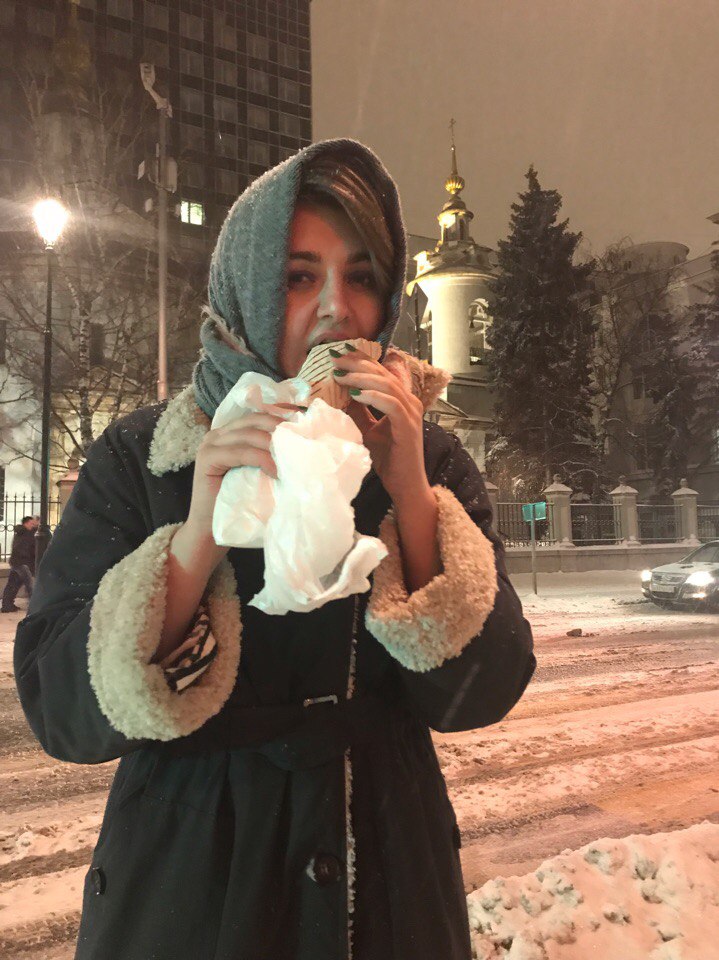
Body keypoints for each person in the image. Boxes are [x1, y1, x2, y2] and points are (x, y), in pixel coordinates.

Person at [13, 139, 536, 960]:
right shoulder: (145, 455)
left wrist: (410, 495)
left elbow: (480, 694)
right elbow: (60, 711)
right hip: (188, 886)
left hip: (384, 881)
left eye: (360, 277)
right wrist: (198, 534)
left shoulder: (424, 456)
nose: (336, 310)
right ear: (245, 288)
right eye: (298, 277)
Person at [1, 515, 39, 613]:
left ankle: (7, 605)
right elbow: (30, 549)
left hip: (16, 562)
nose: (33, 525)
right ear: (26, 523)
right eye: (31, 523)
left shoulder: (20, 532)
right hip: (23, 563)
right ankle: (35, 607)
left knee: (13, 584)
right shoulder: (27, 533)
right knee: (30, 585)